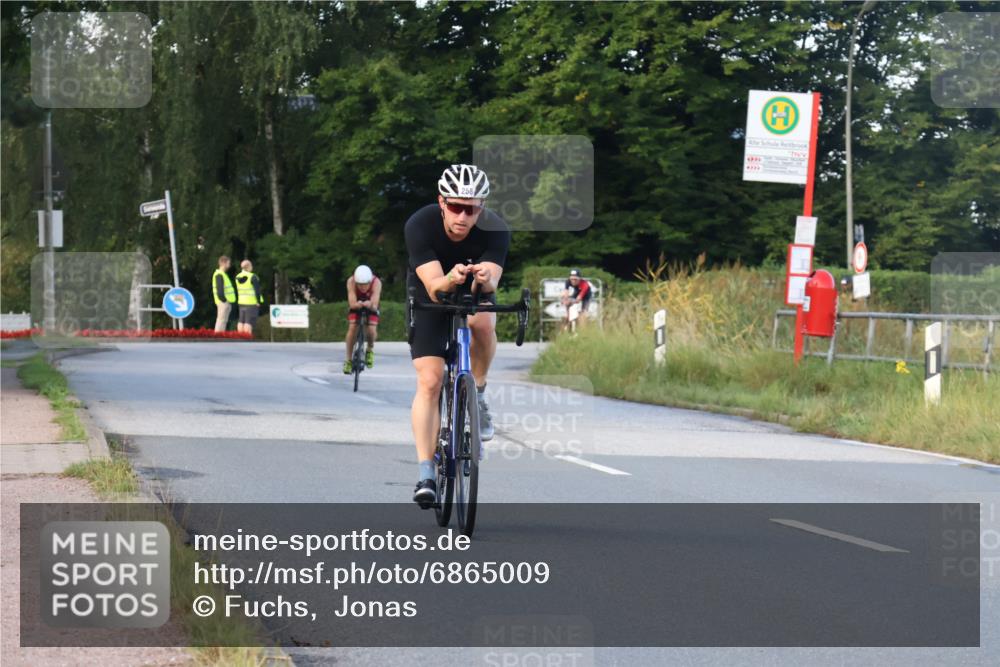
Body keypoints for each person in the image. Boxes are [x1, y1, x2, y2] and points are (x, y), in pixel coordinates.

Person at [405, 164, 508, 508]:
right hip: (430, 292)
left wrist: (482, 278)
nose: (464, 216)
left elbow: (492, 281)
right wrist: (451, 278)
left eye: (472, 208)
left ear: (482, 208)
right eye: (456, 207)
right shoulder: (420, 224)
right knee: (431, 381)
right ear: (441, 202)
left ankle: (477, 391)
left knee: (483, 323)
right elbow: (435, 287)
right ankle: (425, 473)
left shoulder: (494, 228)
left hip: (472, 291)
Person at [343, 264, 381, 374]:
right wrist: (357, 304)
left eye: (365, 285)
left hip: (371, 304)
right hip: (357, 303)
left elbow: (375, 303)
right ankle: (348, 360)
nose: (363, 288)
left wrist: (370, 305)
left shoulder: (376, 282)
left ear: (370, 281)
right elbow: (352, 302)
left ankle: (369, 349)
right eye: (360, 285)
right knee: (352, 327)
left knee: (371, 330)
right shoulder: (351, 281)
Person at [235, 259, 263, 335]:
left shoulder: (238, 277)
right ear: (249, 267)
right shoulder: (253, 277)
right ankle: (247, 338)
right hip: (251, 303)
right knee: (248, 322)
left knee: (241, 321)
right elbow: (257, 291)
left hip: (241, 302)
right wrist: (258, 301)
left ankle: (240, 337)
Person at [212, 255, 236, 332]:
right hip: (223, 302)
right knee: (221, 320)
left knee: (223, 321)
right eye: (228, 263)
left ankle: (220, 337)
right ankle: (217, 338)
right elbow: (220, 289)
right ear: (223, 263)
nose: (229, 265)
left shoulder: (222, 274)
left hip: (225, 301)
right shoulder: (219, 274)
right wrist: (224, 300)